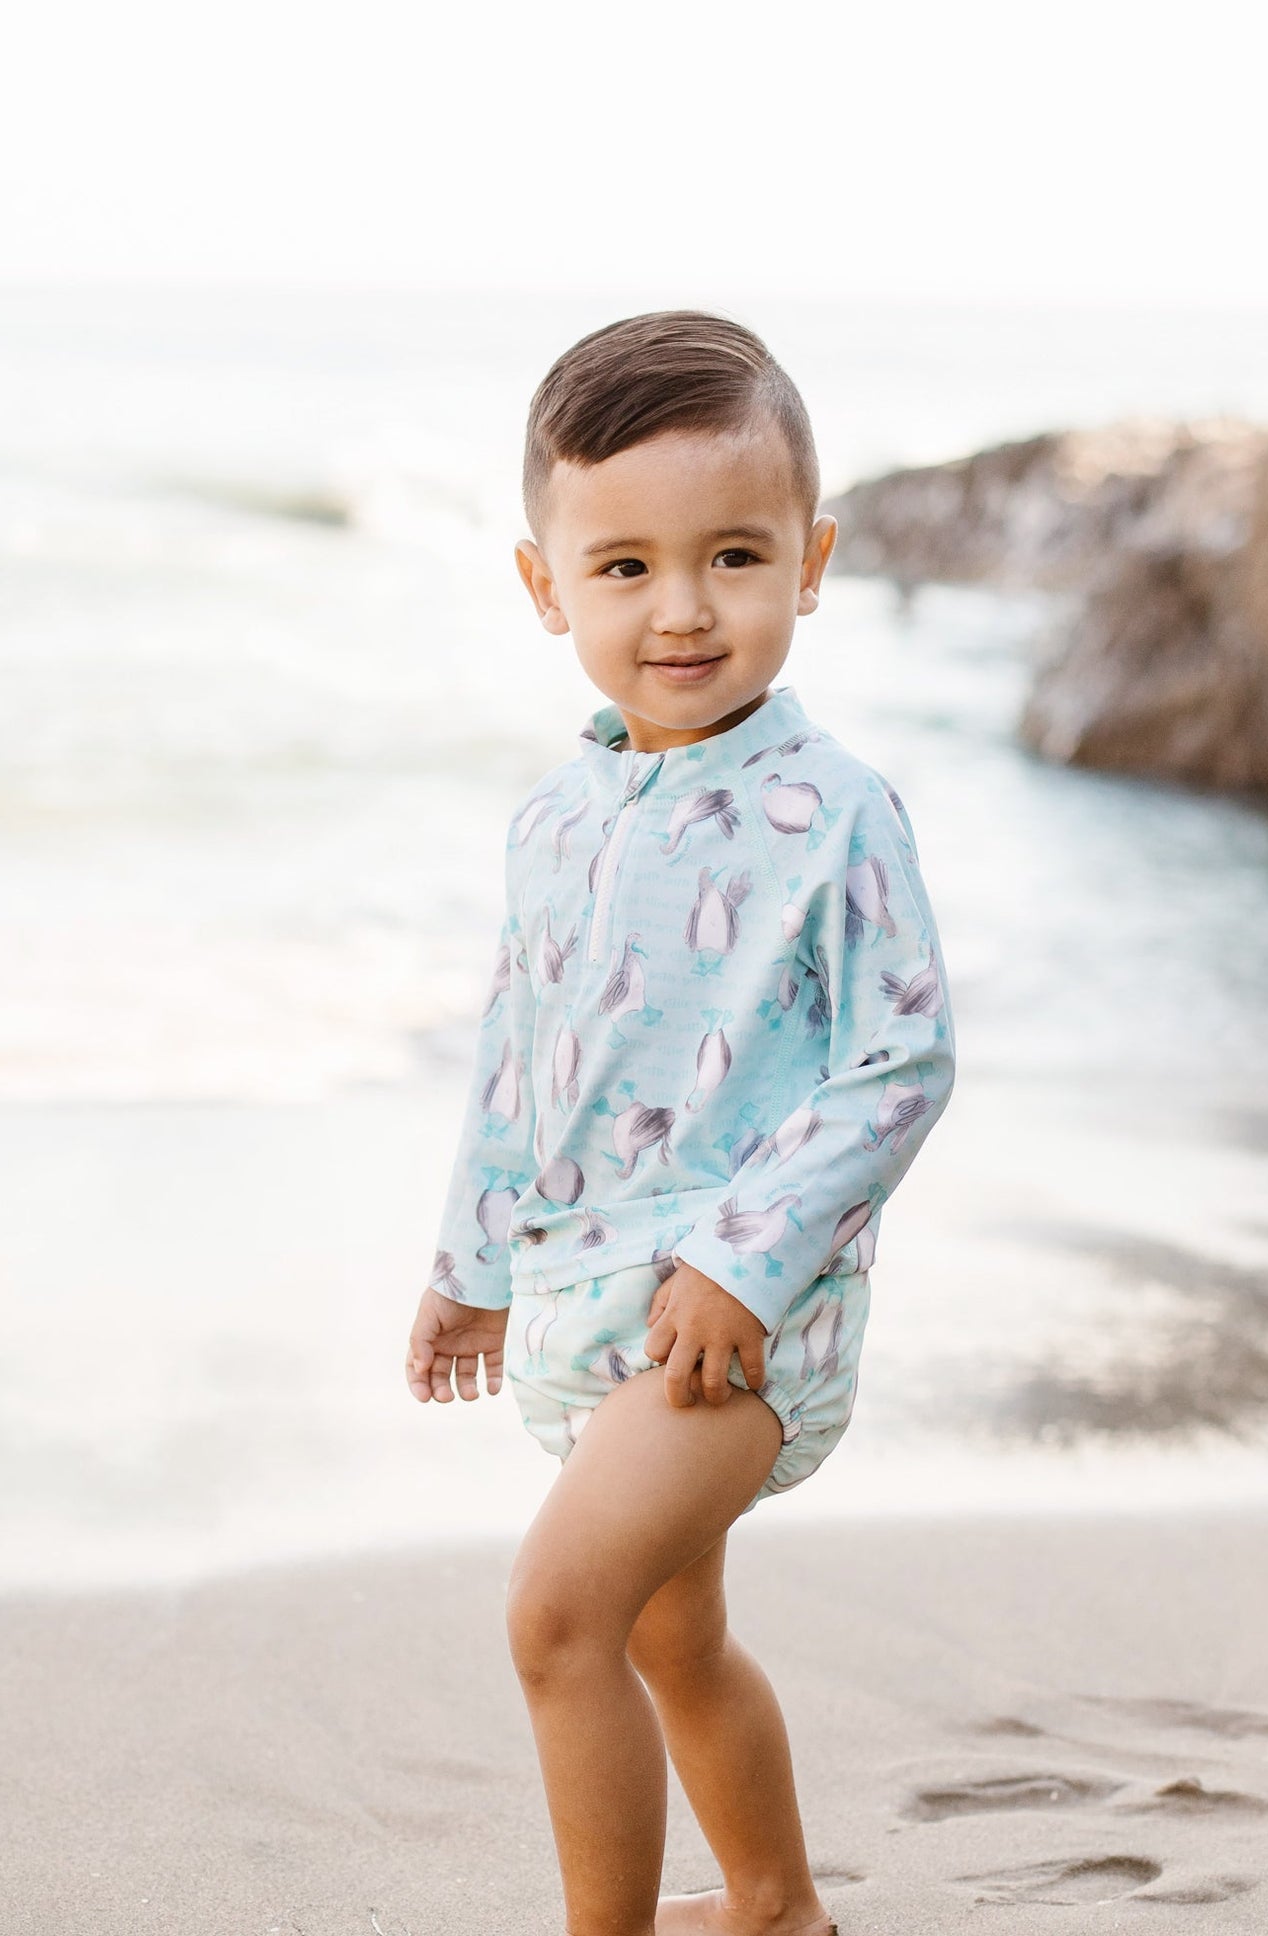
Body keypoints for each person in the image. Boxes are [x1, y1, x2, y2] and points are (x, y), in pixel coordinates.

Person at [405, 311, 955, 1936]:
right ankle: (776, 1907)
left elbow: (901, 1060)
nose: (685, 608)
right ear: (546, 587)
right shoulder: (553, 820)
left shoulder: (836, 810)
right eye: (626, 567)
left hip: (739, 1323)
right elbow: (517, 1056)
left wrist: (745, 1264)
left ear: (811, 561)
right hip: (581, 1293)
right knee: (669, 1636)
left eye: (733, 556)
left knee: (558, 1614)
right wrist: (471, 1266)